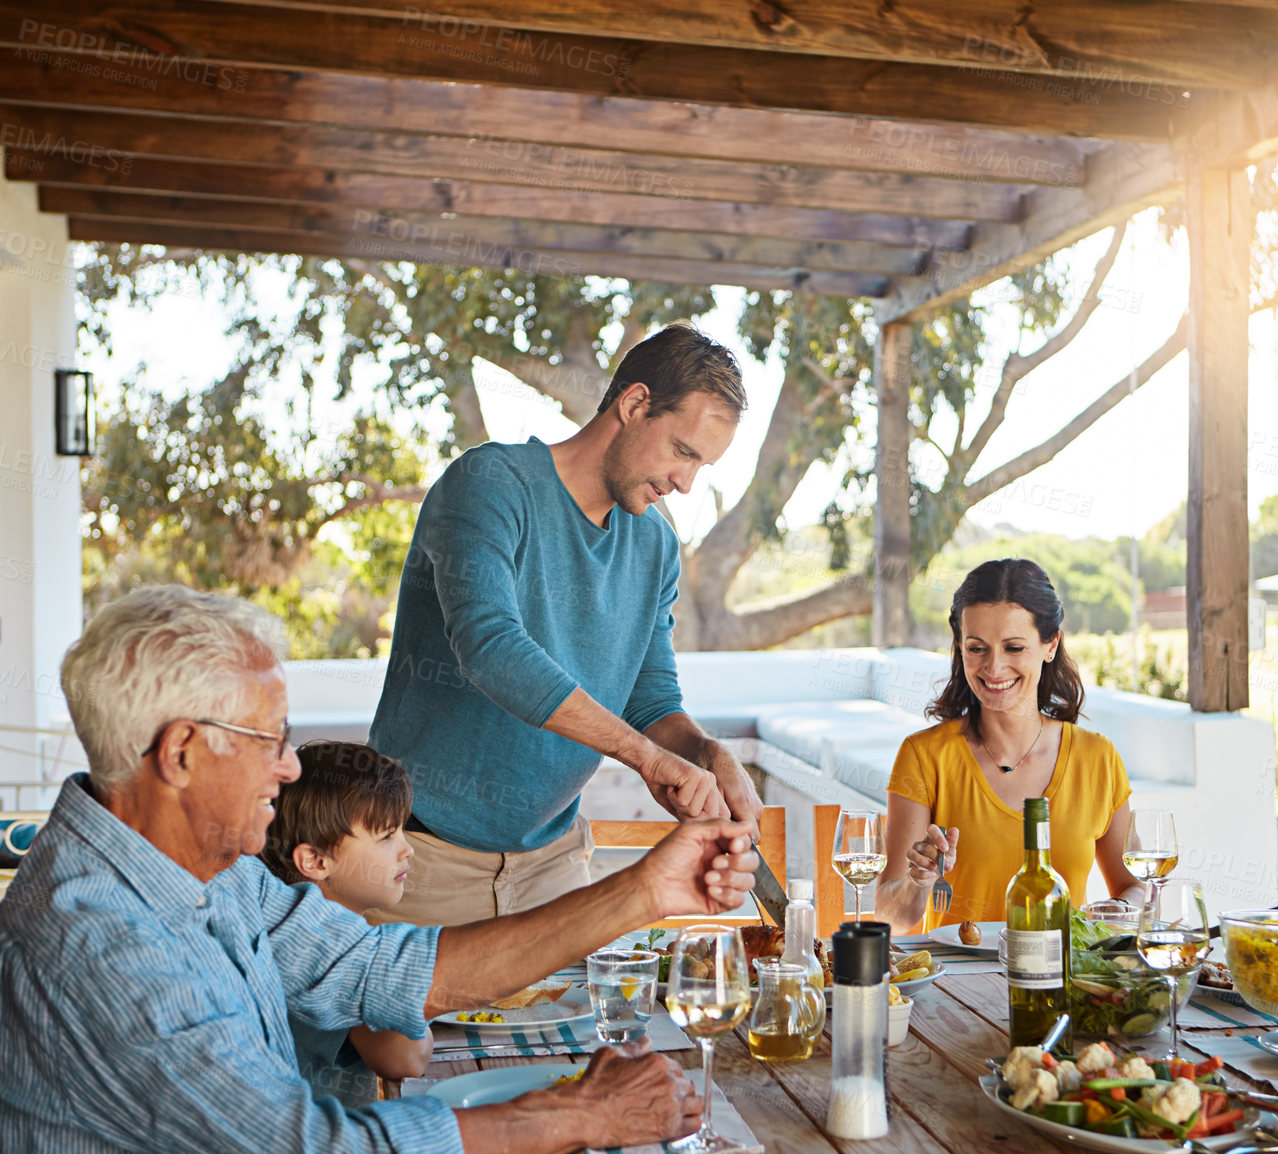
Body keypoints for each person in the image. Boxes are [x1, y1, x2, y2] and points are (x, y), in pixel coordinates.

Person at [0, 585, 760, 1154]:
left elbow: (376, 968)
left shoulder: (201, 865)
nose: (289, 768)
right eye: (273, 740)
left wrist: (648, 890)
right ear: (183, 753)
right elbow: (309, 1145)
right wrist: (581, 1114)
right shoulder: (99, 943)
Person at [370, 322, 764, 927]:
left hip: (554, 867)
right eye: (683, 451)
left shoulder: (656, 542)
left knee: (586, 1026)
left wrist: (705, 754)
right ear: (633, 404)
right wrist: (647, 760)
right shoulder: (490, 484)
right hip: (415, 859)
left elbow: (649, 696)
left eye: (702, 465)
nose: (686, 483)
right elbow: (491, 648)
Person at [877, 559, 1142, 933]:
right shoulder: (924, 756)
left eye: (1014, 647)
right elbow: (891, 914)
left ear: (1050, 645)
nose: (994, 667)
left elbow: (1134, 885)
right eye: (977, 648)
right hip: (957, 985)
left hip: (1065, 979)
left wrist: (1117, 911)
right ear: (960, 648)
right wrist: (917, 881)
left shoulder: (1097, 759)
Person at [259, 740, 430, 1107]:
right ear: (316, 861)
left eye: (400, 830)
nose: (407, 849)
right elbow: (407, 1057)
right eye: (386, 836)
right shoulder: (319, 944)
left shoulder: (286, 920)